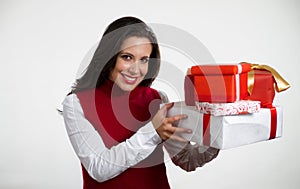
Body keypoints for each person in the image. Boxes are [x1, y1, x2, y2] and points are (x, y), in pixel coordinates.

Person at [62, 16, 219, 189]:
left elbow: (187, 160)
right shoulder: (76, 104)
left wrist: (216, 134)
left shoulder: (157, 99)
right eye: (127, 57)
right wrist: (153, 131)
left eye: (144, 59)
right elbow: (99, 168)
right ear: (108, 56)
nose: (136, 70)